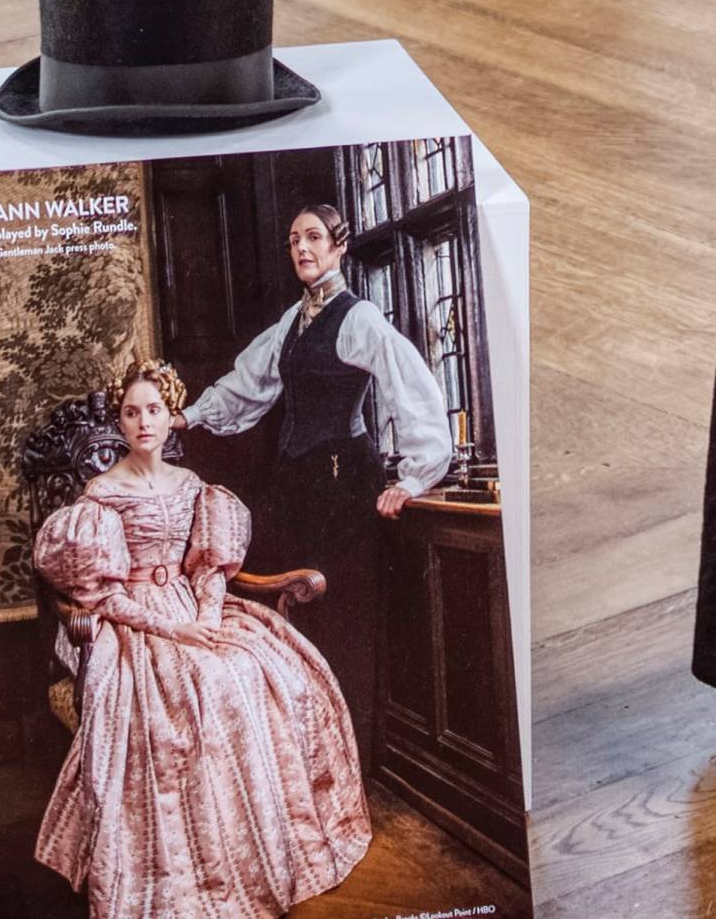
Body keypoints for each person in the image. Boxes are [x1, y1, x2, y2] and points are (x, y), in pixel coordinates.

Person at [32, 362, 370, 919]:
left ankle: (267, 849)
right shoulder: (101, 494)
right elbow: (99, 596)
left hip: (196, 609)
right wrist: (172, 628)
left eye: (154, 410)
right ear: (121, 421)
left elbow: (208, 570)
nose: (144, 422)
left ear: (170, 418)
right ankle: (189, 874)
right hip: (133, 622)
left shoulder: (192, 487)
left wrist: (207, 617)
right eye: (132, 412)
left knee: (269, 672)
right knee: (198, 684)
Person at [181, 203, 452, 766]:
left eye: (313, 238)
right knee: (294, 616)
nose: (302, 249)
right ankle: (302, 757)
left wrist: (413, 477)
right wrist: (190, 416)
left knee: (342, 619)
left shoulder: (359, 318)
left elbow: (412, 387)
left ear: (338, 247)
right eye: (293, 240)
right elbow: (247, 383)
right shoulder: (292, 321)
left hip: (343, 486)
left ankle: (349, 764)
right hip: (296, 483)